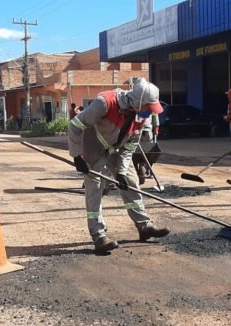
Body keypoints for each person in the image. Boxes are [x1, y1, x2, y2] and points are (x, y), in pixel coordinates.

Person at [68, 77, 170, 253]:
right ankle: (99, 236)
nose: (151, 112)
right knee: (96, 188)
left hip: (117, 148)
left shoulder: (141, 116)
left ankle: (144, 226)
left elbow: (130, 146)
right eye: (148, 107)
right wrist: (77, 156)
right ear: (137, 102)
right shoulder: (104, 103)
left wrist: (121, 172)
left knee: (131, 182)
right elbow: (75, 124)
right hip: (94, 145)